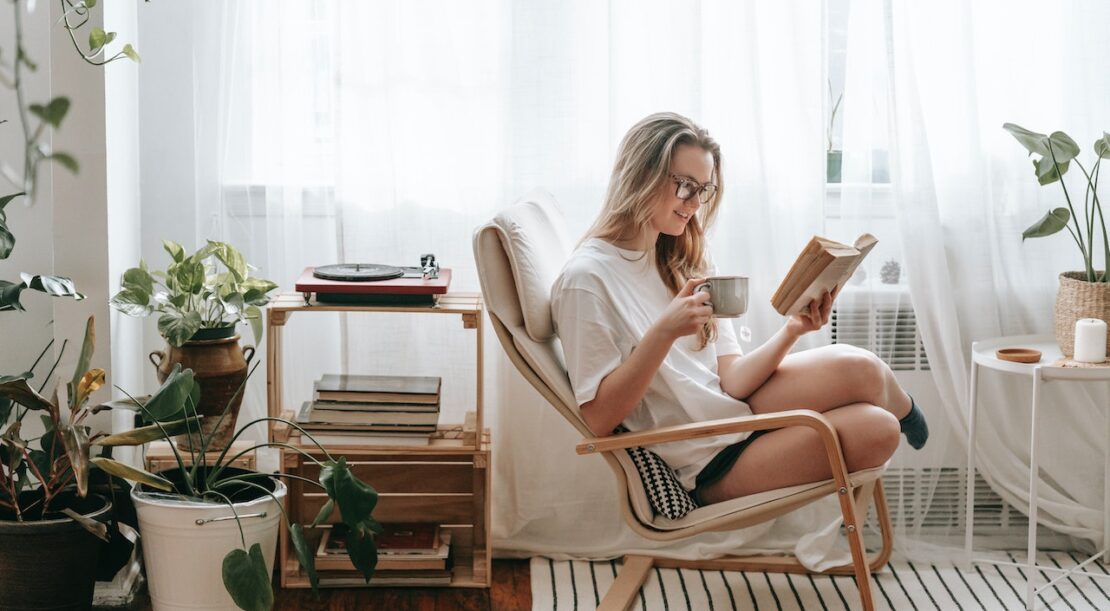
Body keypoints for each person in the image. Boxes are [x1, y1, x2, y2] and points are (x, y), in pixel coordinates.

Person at [550, 112, 928, 507]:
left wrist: (793, 330)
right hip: (707, 460)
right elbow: (597, 419)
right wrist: (664, 332)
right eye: (685, 186)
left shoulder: (678, 257)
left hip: (735, 412)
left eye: (704, 190)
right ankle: (899, 417)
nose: (695, 203)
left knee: (863, 369)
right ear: (640, 175)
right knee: (878, 431)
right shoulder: (586, 280)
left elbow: (730, 378)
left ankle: (909, 412)